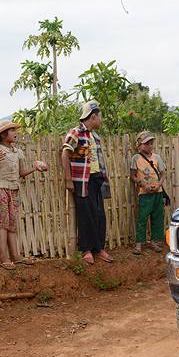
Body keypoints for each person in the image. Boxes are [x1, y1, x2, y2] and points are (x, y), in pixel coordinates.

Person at [0, 121, 48, 270]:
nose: (16, 133)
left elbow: (20, 173)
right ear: (3, 135)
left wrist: (35, 168)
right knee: (2, 223)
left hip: (13, 189)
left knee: (12, 222)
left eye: (15, 130)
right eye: (12, 130)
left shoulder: (17, 152)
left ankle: (15, 256)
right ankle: (4, 258)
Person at [61, 101, 112, 265]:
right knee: (85, 215)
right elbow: (65, 154)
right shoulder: (76, 133)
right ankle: (86, 250)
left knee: (99, 215)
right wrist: (68, 179)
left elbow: (97, 159)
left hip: (97, 179)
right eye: (100, 116)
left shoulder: (95, 136)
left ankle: (99, 248)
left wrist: (104, 176)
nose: (101, 120)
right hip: (83, 180)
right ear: (93, 116)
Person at [129, 131, 167, 255]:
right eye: (146, 144)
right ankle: (139, 243)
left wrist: (159, 185)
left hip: (157, 192)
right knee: (142, 218)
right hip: (144, 194)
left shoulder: (157, 158)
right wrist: (142, 184)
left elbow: (163, 174)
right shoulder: (136, 158)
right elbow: (132, 176)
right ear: (139, 145)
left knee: (157, 217)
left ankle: (154, 241)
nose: (149, 146)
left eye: (151, 143)